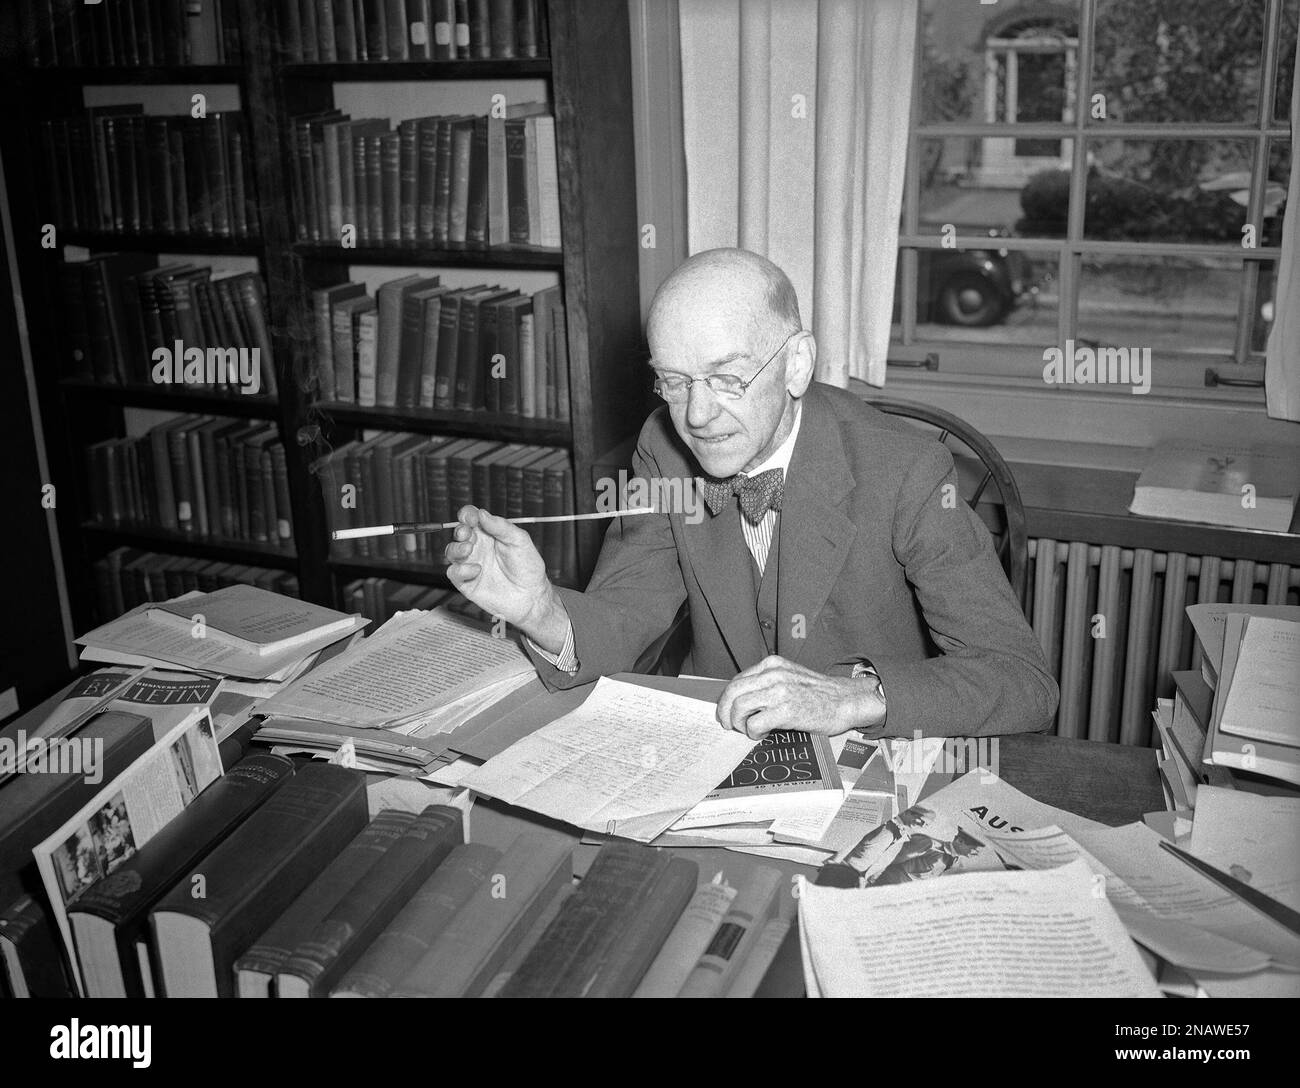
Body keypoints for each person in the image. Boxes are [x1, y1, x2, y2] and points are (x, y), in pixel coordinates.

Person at [444, 248, 1058, 740]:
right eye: (674, 381)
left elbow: (1023, 681)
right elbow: (631, 612)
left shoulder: (907, 470)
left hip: (871, 759)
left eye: (728, 378)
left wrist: (857, 697)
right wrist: (541, 610)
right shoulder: (663, 445)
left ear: (796, 365)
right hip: (719, 750)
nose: (698, 415)